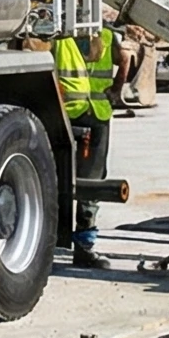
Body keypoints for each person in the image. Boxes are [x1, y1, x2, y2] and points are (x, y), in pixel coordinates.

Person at [53, 19, 119, 267]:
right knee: (73, 180)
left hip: (89, 113)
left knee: (90, 183)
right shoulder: (59, 33)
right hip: (72, 113)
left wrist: (116, 90)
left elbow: (123, 61)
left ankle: (82, 245)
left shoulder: (105, 35)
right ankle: (77, 245)